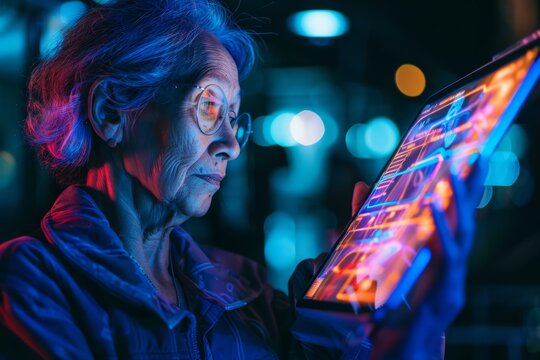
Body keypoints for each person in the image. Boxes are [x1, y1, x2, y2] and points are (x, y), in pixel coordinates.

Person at [0, 0, 487, 358]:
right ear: (110, 112)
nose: (231, 145)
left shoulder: (245, 286)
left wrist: (373, 311)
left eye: (236, 119)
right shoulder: (28, 283)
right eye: (210, 107)